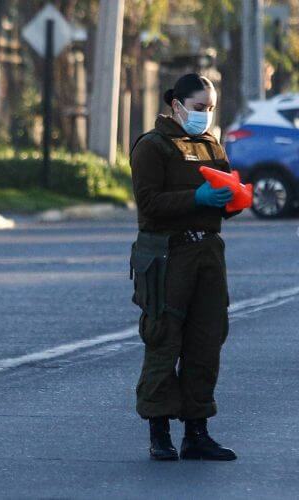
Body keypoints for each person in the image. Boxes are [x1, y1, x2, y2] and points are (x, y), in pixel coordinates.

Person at [129, 73, 239, 461]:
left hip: (207, 253)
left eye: (210, 109)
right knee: (163, 338)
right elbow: (150, 205)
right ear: (176, 105)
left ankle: (197, 431)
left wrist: (232, 200)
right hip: (166, 254)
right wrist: (198, 197)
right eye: (198, 108)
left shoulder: (211, 145)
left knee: (206, 341)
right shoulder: (152, 147)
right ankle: (159, 431)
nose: (205, 116)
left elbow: (222, 196)